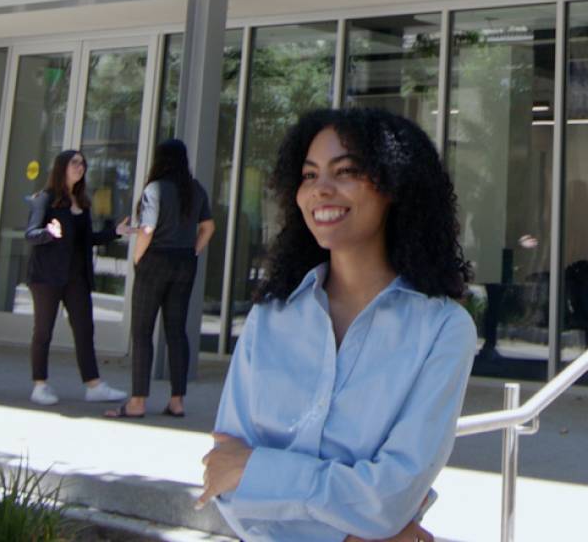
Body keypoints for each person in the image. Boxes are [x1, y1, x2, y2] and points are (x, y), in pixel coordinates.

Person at [200, 107, 476, 542]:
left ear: (393, 186)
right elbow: (223, 477)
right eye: (309, 176)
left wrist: (260, 472)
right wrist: (354, 530)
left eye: (345, 171)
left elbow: (389, 498)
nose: (320, 190)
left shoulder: (443, 329)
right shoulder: (269, 318)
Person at [105, 138, 216, 419]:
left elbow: (149, 227)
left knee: (142, 331)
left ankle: (137, 402)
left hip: (155, 260)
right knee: (176, 331)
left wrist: (138, 258)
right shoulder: (195, 188)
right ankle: (177, 401)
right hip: (184, 263)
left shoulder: (155, 188)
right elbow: (208, 227)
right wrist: (193, 250)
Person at [25, 149, 127, 406]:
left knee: (84, 330)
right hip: (47, 276)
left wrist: (115, 232)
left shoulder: (82, 202)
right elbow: (31, 234)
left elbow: (87, 241)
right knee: (43, 331)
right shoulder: (44, 199)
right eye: (75, 163)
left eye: (83, 163)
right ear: (62, 167)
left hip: (76, 277)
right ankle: (40, 385)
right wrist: (49, 232)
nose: (80, 167)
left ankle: (94, 385)